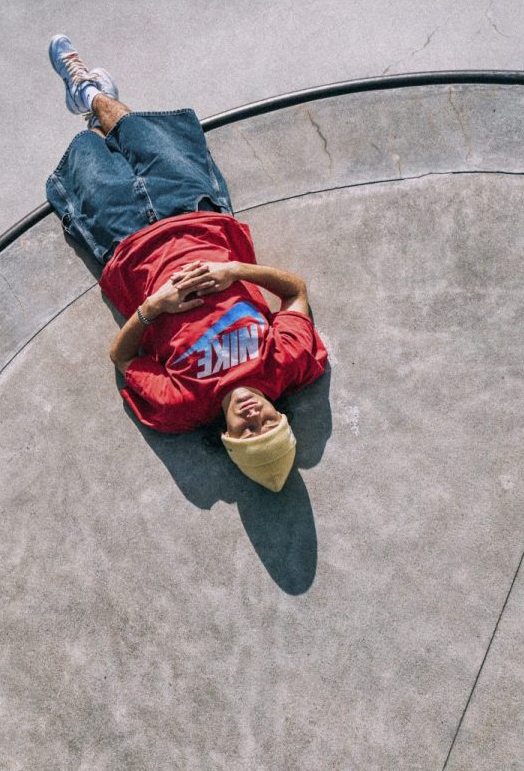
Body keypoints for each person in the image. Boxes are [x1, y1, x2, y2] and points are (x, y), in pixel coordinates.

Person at [44, 35, 328, 492]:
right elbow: (296, 291)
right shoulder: (288, 363)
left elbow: (123, 359)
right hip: (199, 216)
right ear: (281, 415)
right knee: (131, 129)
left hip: (126, 244)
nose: (255, 421)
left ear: (227, 438)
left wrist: (157, 305)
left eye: (247, 435)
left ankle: (92, 108)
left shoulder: (181, 408)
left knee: (87, 151)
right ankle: (90, 92)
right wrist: (234, 272)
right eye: (270, 426)